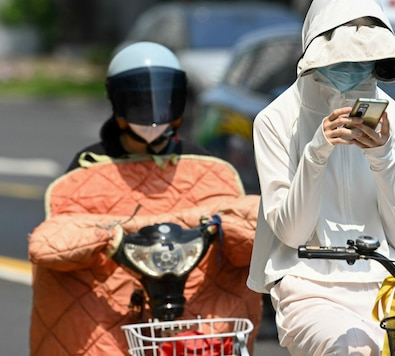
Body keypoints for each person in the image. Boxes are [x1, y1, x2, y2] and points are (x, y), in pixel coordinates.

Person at [28, 42, 262, 355]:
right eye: (138, 100)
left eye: (163, 97)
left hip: (193, 326)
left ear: (178, 100)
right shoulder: (87, 167)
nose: (152, 111)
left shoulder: (207, 166)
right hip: (115, 318)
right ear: (118, 103)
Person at [246, 0, 395, 355]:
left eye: (364, 60)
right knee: (349, 349)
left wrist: (381, 155)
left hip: (389, 281)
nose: (354, 70)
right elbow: (292, 232)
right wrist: (316, 152)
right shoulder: (276, 120)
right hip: (308, 285)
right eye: (342, 60)